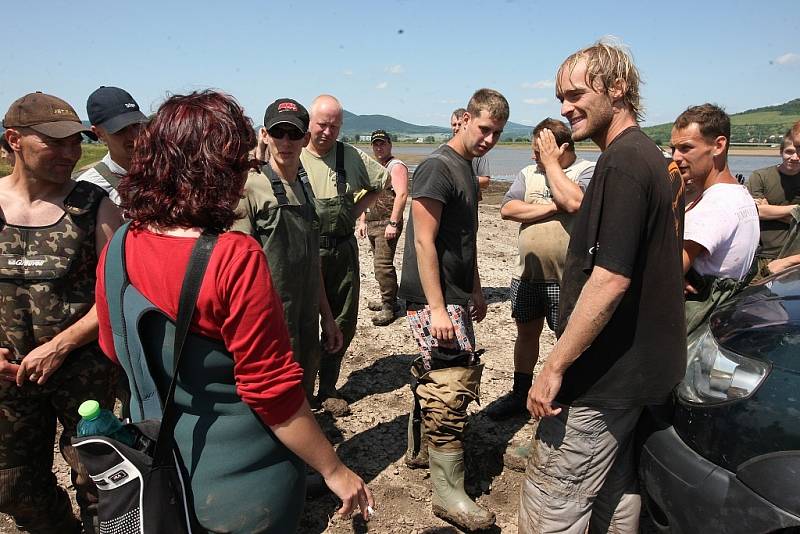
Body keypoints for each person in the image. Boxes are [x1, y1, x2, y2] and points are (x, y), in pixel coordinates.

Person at [95, 90, 373, 533]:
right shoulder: (230, 256)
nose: (245, 167)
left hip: (157, 468)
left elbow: (116, 349)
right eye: (236, 158)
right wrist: (335, 470)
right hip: (244, 486)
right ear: (214, 168)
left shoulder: (118, 247)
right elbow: (274, 393)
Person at [520, 40, 686, 534]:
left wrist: (553, 367)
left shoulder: (623, 163)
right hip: (638, 372)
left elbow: (611, 279)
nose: (565, 107)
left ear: (617, 89)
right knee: (614, 491)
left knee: (554, 498)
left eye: (574, 94)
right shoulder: (644, 158)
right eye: (559, 98)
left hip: (603, 378)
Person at [0, 92, 123, 533]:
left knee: (100, 480)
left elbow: (115, 293)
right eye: (55, 142)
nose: (70, 153)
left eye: (76, 142)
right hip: (10, 378)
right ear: (14, 140)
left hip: (83, 369)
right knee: (11, 485)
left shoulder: (94, 205)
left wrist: (59, 345)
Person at [399, 88, 509, 531]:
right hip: (434, 299)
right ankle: (447, 493)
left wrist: (477, 288)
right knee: (450, 383)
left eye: (498, 133)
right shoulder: (437, 167)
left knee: (443, 372)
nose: (489, 139)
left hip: (457, 295)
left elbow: (465, 238)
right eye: (484, 128)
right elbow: (423, 241)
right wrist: (438, 308)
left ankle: (422, 449)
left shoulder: (466, 168)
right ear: (462, 119)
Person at [233, 98, 343, 399]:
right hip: (269, 320)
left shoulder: (307, 187)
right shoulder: (249, 188)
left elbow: (313, 263)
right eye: (278, 133)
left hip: (306, 317)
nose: (286, 141)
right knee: (274, 395)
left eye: (294, 134)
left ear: (305, 139)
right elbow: (236, 269)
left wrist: (328, 318)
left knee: (304, 385)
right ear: (265, 135)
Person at [490, 118, 594, 420]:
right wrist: (551, 207)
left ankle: (566, 399)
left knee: (567, 339)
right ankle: (520, 393)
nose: (535, 156)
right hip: (527, 274)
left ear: (563, 148)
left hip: (567, 279)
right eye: (534, 150)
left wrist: (551, 167)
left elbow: (575, 201)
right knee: (526, 334)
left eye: (541, 150)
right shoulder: (527, 173)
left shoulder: (586, 171)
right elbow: (508, 209)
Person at [300, 94, 387, 408]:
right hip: (306, 252)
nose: (327, 132)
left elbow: (382, 183)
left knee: (343, 319)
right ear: (310, 123)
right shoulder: (292, 154)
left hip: (342, 250)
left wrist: (355, 211)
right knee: (305, 322)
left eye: (335, 126)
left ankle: (328, 389)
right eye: (322, 124)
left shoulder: (350, 156)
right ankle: (303, 393)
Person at [671, 104, 759, 333]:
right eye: (673, 149)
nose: (675, 157)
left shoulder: (716, 205)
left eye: (686, 148)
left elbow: (665, 272)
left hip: (694, 325)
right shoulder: (740, 195)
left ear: (718, 145)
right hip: (722, 321)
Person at [356, 129, 409, 326]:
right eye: (376, 144)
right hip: (372, 223)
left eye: (382, 143)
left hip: (387, 224)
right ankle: (389, 300)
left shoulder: (396, 166)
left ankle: (389, 306)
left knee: (383, 266)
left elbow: (402, 195)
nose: (379, 147)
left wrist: (393, 223)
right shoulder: (373, 166)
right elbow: (363, 194)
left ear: (390, 145)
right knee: (379, 266)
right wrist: (362, 221)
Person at [74, 86, 148, 205]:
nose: (134, 136)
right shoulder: (90, 189)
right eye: (121, 130)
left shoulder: (166, 172)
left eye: (137, 125)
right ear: (99, 134)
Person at [746, 124, 800, 276]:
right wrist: (796, 210)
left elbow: (765, 210)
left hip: (795, 259)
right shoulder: (760, 176)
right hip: (764, 256)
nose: (794, 157)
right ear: (781, 152)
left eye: (798, 152)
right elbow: (757, 212)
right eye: (789, 152)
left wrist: (772, 210)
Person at [452, 107, 491, 193]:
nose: (457, 128)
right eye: (454, 125)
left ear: (467, 123)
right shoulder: (443, 151)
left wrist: (458, 179)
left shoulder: (479, 151)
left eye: (460, 124)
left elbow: (485, 182)